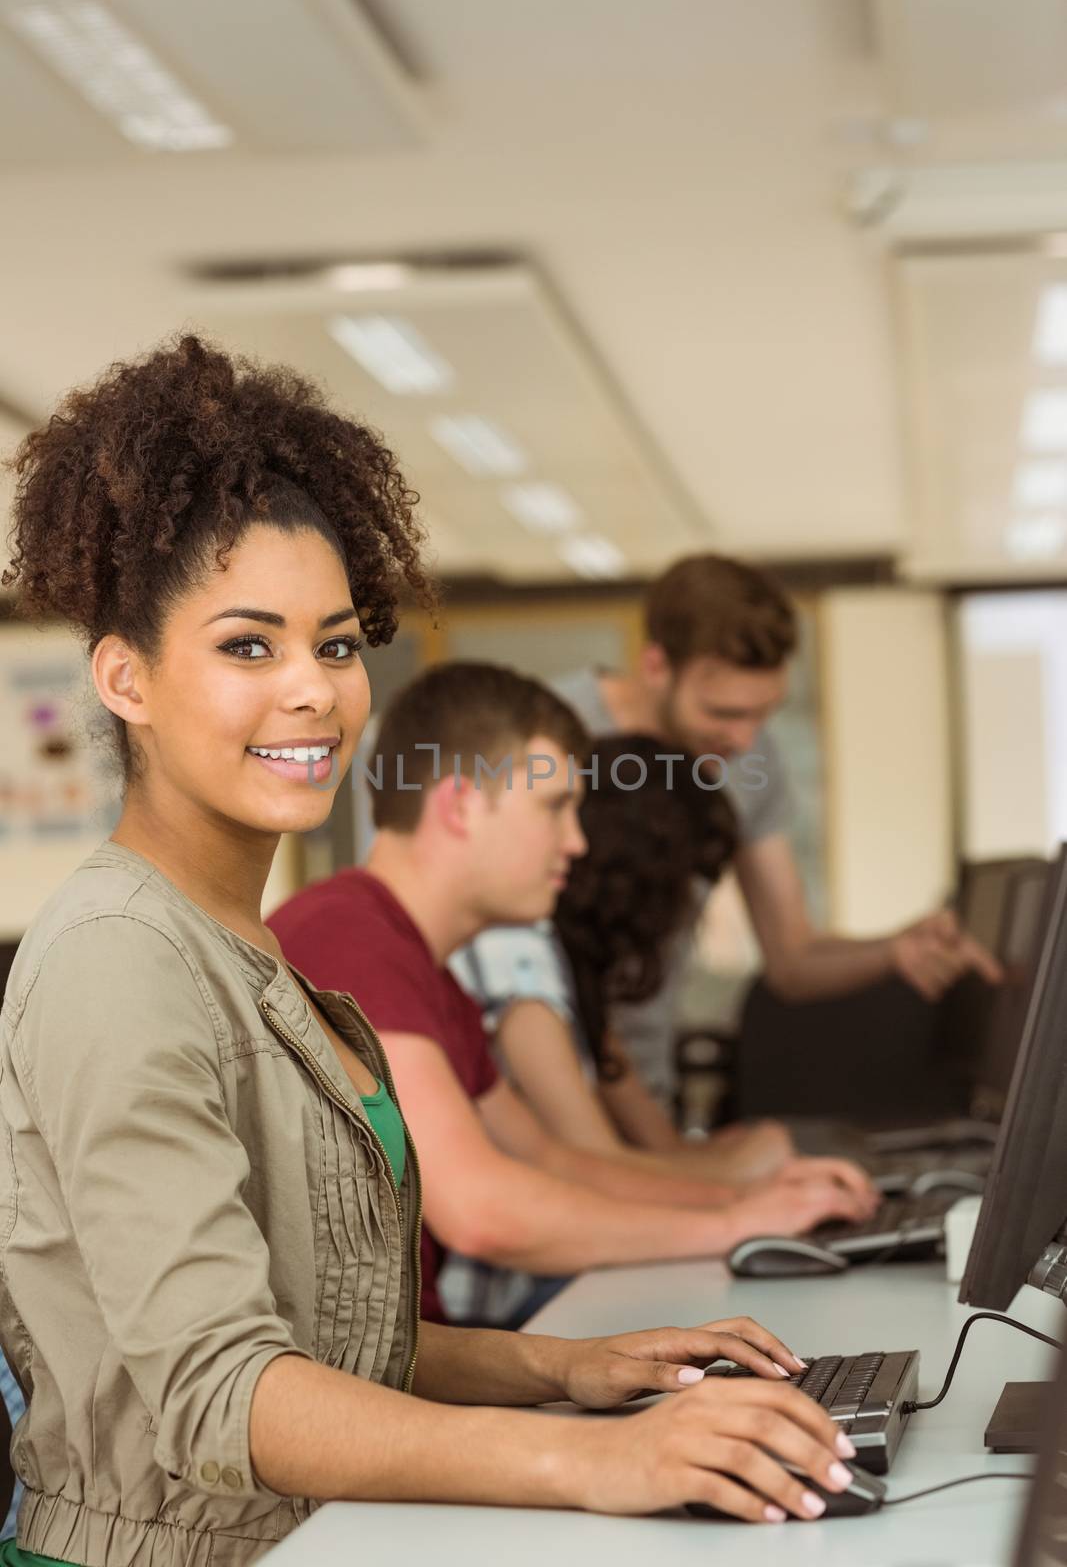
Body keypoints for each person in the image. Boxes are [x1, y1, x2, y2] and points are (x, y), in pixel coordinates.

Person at [0, 334, 863, 1563]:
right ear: (124, 677)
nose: (312, 690)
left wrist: (570, 1372)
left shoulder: (244, 949)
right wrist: (593, 1459)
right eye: (248, 646)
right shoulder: (117, 957)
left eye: (337, 644)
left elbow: (325, 1335)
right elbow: (223, 1389)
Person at [270, 662, 878, 1329]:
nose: (577, 842)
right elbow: (482, 1214)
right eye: (555, 807)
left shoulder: (421, 965)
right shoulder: (348, 939)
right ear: (461, 805)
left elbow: (548, 1158)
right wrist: (736, 1222)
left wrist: (738, 1201)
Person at [552, 552, 1002, 1096]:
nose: (742, 740)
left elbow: (791, 959)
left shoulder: (753, 764)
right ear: (655, 666)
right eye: (722, 713)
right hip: (547, 1086)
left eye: (763, 713)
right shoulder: (545, 733)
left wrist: (893, 950)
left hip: (644, 1086)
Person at [451, 731, 793, 1186]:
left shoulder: (575, 973)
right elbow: (591, 1162)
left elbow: (660, 1148)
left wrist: (720, 1157)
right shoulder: (518, 953)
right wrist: (738, 1173)